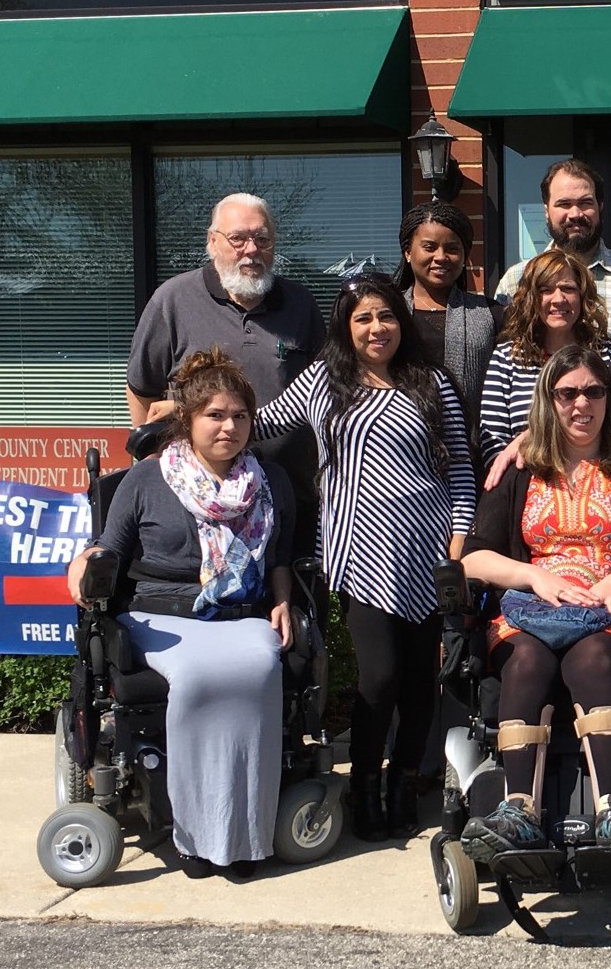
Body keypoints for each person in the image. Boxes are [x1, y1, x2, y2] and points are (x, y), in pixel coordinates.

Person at [253, 271, 475, 843]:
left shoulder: (432, 382)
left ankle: (405, 784)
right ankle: (364, 785)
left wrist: (456, 547)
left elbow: (460, 472)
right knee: (379, 679)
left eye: (386, 316)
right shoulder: (324, 382)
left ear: (402, 322)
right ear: (346, 328)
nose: (377, 328)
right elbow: (258, 424)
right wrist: (190, 423)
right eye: (363, 318)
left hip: (427, 555)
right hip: (359, 554)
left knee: (423, 684)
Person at [66, 348, 295, 880]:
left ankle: (242, 838)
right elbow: (109, 548)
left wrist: (282, 599)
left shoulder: (270, 482)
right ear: (187, 422)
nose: (229, 427)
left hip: (240, 613)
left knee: (261, 667)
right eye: (215, 415)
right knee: (195, 675)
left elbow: (281, 556)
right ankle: (192, 835)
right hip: (158, 615)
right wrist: (85, 563)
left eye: (239, 415)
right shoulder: (146, 480)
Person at [458, 345, 611, 861]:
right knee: (526, 660)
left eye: (593, 391)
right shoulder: (521, 470)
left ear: (609, 398)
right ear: (549, 400)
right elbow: (473, 558)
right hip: (529, 613)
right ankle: (518, 812)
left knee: (592, 656)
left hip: (607, 612)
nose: (580, 404)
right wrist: (532, 575)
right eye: (567, 393)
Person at [126, 192, 325, 554]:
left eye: (262, 239)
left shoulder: (300, 304)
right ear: (212, 242)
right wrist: (151, 462)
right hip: (199, 502)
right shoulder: (172, 300)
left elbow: (325, 391)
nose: (251, 249)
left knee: (287, 602)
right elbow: (142, 387)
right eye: (238, 238)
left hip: (287, 495)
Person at [479, 248, 611, 469]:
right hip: (528, 486)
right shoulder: (507, 357)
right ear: (530, 298)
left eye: (568, 288)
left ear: (582, 296)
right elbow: (493, 442)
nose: (558, 299)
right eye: (545, 290)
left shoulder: (608, 354)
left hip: (599, 482)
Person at [494, 159, 611, 348]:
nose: (575, 213)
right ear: (546, 211)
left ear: (600, 206)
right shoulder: (516, 280)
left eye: (585, 203)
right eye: (564, 204)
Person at [393, 200, 503, 429]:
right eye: (429, 247)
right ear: (407, 252)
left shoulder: (491, 315)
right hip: (399, 451)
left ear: (465, 257)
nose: (441, 256)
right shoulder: (388, 313)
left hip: (474, 452)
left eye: (452, 249)